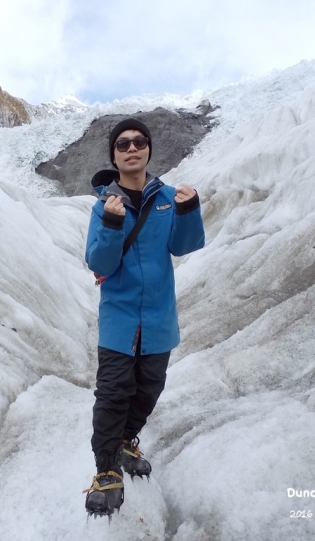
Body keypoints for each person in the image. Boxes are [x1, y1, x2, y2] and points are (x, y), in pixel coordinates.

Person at [83, 119, 205, 518]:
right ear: (114, 156)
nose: (131, 148)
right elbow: (99, 261)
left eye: (139, 142)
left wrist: (188, 210)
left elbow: (184, 245)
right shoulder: (104, 206)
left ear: (149, 150)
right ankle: (106, 471)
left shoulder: (168, 197)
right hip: (119, 319)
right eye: (123, 144)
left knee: (148, 389)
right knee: (114, 391)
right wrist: (113, 224)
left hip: (158, 319)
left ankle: (124, 440)